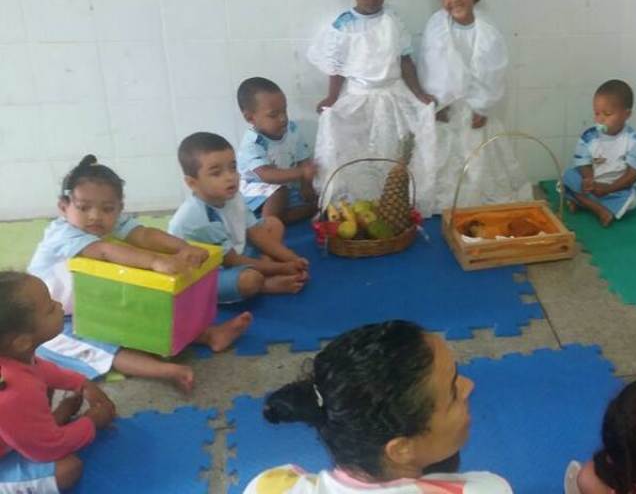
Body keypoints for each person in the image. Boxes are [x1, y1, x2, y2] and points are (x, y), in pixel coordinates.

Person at [27, 155, 251, 392]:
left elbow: (144, 235)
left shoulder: (111, 221)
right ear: (64, 208)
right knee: (99, 349)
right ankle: (166, 371)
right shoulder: (62, 233)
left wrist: (183, 247)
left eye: (107, 209)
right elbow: (103, 250)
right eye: (84, 208)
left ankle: (208, 335)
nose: (95, 216)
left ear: (119, 209)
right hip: (48, 318)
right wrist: (155, 261)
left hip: (93, 302)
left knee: (147, 313)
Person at [243, 320, 512, 494]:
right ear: (402, 449)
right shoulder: (484, 490)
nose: (469, 386)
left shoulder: (269, 486)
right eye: (453, 392)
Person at [308, 0, 439, 215]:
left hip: (393, 94)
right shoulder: (343, 25)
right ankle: (356, 200)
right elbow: (336, 68)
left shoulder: (392, 20)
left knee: (392, 148)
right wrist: (332, 98)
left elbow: (405, 60)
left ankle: (394, 201)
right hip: (358, 96)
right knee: (349, 140)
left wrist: (419, 93)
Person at [419, 0, 532, 209]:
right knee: (444, 157)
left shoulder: (487, 30)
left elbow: (493, 70)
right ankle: (444, 202)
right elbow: (429, 65)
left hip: (475, 108)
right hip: (447, 106)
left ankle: (474, 200)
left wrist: (483, 105)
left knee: (478, 157)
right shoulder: (436, 26)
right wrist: (436, 103)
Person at [0, 272, 116, 493]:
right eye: (50, 308)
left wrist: (82, 383)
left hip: (12, 428)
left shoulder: (12, 356)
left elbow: (39, 369)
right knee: (67, 469)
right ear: (22, 342)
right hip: (18, 441)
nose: (60, 305)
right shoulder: (14, 392)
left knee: (44, 389)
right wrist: (92, 421)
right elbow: (48, 450)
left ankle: (39, 431)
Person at [169, 133, 309, 303]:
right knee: (249, 280)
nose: (230, 177)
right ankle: (265, 283)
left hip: (232, 251)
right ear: (193, 183)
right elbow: (232, 261)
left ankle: (264, 266)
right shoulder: (199, 217)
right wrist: (282, 268)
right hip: (205, 273)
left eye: (233, 168)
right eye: (216, 173)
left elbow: (255, 232)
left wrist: (291, 258)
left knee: (273, 224)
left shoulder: (233, 196)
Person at [561, 79, 636, 227]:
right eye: (596, 113)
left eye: (607, 114)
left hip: (617, 186)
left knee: (632, 200)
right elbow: (583, 162)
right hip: (592, 183)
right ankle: (598, 209)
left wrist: (609, 189)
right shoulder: (589, 136)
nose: (600, 119)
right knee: (567, 177)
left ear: (626, 114)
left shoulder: (634, 142)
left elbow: (633, 174)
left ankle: (582, 202)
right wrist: (588, 179)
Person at [236, 77, 317, 225]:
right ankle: (266, 227)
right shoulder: (253, 143)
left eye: (284, 110)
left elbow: (303, 160)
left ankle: (287, 216)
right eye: (273, 115)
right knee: (280, 193)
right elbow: (267, 175)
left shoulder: (292, 130)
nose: (283, 119)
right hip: (254, 191)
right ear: (250, 118)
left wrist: (307, 187)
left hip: (284, 188)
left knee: (311, 197)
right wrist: (301, 172)